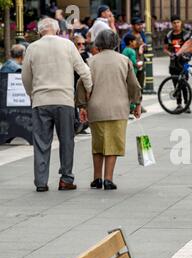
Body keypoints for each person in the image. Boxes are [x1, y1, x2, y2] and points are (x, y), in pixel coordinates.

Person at [21, 18, 92, 192]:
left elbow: (25, 76)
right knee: (67, 140)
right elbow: (83, 70)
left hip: (41, 101)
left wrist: (32, 93)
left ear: (39, 32)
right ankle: (66, 179)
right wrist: (89, 90)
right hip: (64, 100)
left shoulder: (32, 48)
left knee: (41, 142)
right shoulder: (67, 45)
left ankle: (41, 182)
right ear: (57, 30)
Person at [76, 30, 141, 190]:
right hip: (118, 108)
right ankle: (108, 179)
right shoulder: (124, 60)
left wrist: (82, 105)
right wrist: (137, 103)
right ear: (116, 42)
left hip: (96, 108)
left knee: (98, 143)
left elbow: (81, 84)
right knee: (113, 142)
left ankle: (96, 178)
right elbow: (133, 85)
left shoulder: (91, 62)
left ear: (98, 43)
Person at [163, 15, 191, 114]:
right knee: (176, 84)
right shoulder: (169, 35)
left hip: (183, 62)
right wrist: (170, 54)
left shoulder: (186, 34)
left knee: (184, 84)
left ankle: (187, 105)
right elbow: (165, 48)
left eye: (178, 22)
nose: (176, 24)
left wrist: (185, 53)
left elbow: (191, 46)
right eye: (174, 23)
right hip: (173, 63)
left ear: (181, 23)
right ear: (172, 24)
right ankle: (179, 105)